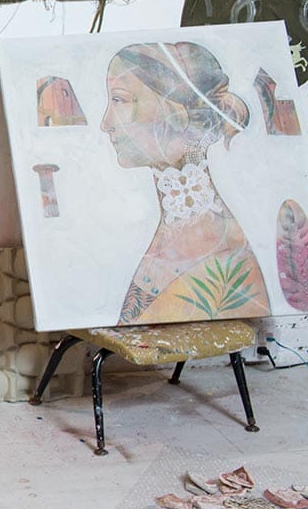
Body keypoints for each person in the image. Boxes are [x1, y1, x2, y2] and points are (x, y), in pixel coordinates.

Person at [99, 41, 270, 325]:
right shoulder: (174, 236)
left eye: (119, 100)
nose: (106, 123)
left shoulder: (222, 260)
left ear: (174, 112)